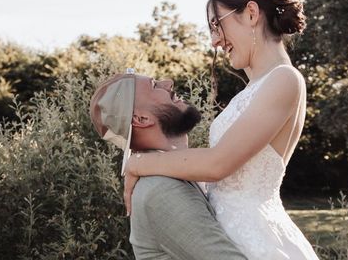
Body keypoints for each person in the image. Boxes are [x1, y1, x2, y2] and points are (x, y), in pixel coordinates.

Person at [123, 0, 319, 259]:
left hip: (257, 242)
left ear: (250, 14)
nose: (215, 40)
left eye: (218, 26)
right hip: (231, 233)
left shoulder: (285, 81)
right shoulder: (265, 79)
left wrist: (138, 163)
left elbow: (217, 164)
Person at [90, 71, 247, 260]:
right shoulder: (161, 189)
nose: (168, 82)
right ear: (141, 119)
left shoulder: (170, 174)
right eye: (155, 85)